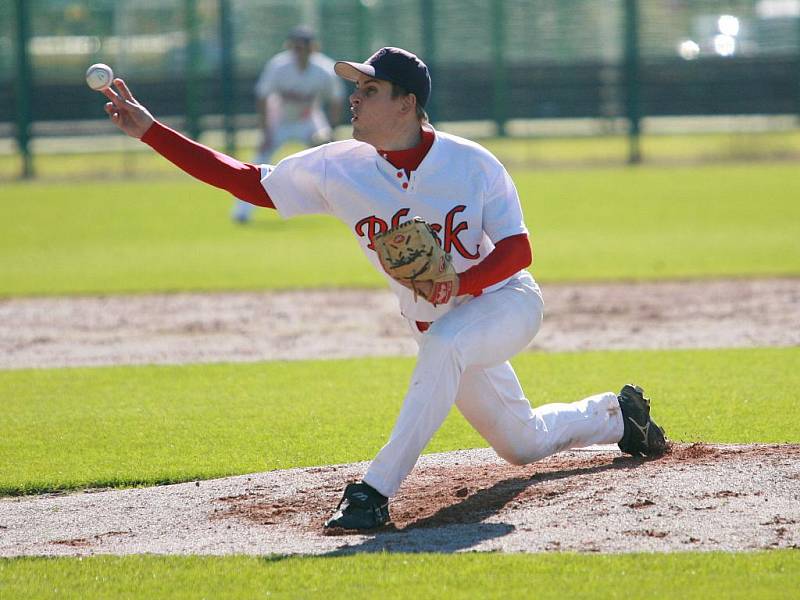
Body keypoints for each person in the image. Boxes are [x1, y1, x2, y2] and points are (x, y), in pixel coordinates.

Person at [99, 46, 668, 531]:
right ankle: (619, 416)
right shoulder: (338, 167)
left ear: (407, 104)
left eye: (369, 89)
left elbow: (519, 250)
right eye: (356, 87)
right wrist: (151, 132)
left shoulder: (472, 164)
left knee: (447, 343)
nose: (354, 97)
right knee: (520, 443)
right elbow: (249, 183)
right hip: (438, 327)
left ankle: (372, 493)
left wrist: (460, 284)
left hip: (504, 302)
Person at [231, 26, 344, 224]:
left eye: (303, 47)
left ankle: (341, 206)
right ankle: (242, 212)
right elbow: (263, 96)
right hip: (280, 120)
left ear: (313, 48)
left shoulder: (324, 69)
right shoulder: (278, 66)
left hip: (309, 119)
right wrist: (266, 131)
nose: (298, 52)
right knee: (258, 161)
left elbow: (336, 99)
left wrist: (331, 132)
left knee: (329, 159)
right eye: (295, 47)